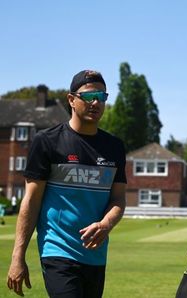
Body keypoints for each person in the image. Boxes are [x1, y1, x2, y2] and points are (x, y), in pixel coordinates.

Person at [7, 70, 127, 297]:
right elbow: (31, 202)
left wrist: (105, 225)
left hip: (95, 255)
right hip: (57, 250)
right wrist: (17, 257)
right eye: (89, 96)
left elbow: (118, 199)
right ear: (71, 100)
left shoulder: (114, 147)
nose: (96, 102)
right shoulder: (47, 142)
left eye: (102, 97)